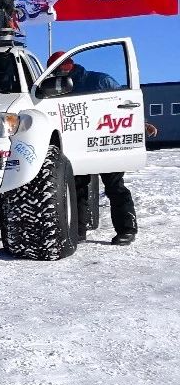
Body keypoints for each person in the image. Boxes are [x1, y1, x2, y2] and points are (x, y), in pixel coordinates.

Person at [48, 52, 137, 245]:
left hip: (106, 142)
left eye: (60, 67)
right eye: (54, 70)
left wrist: (142, 122)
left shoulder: (100, 81)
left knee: (115, 186)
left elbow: (127, 104)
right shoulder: (55, 89)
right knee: (78, 188)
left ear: (69, 64)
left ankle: (127, 230)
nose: (57, 72)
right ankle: (78, 231)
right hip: (78, 145)